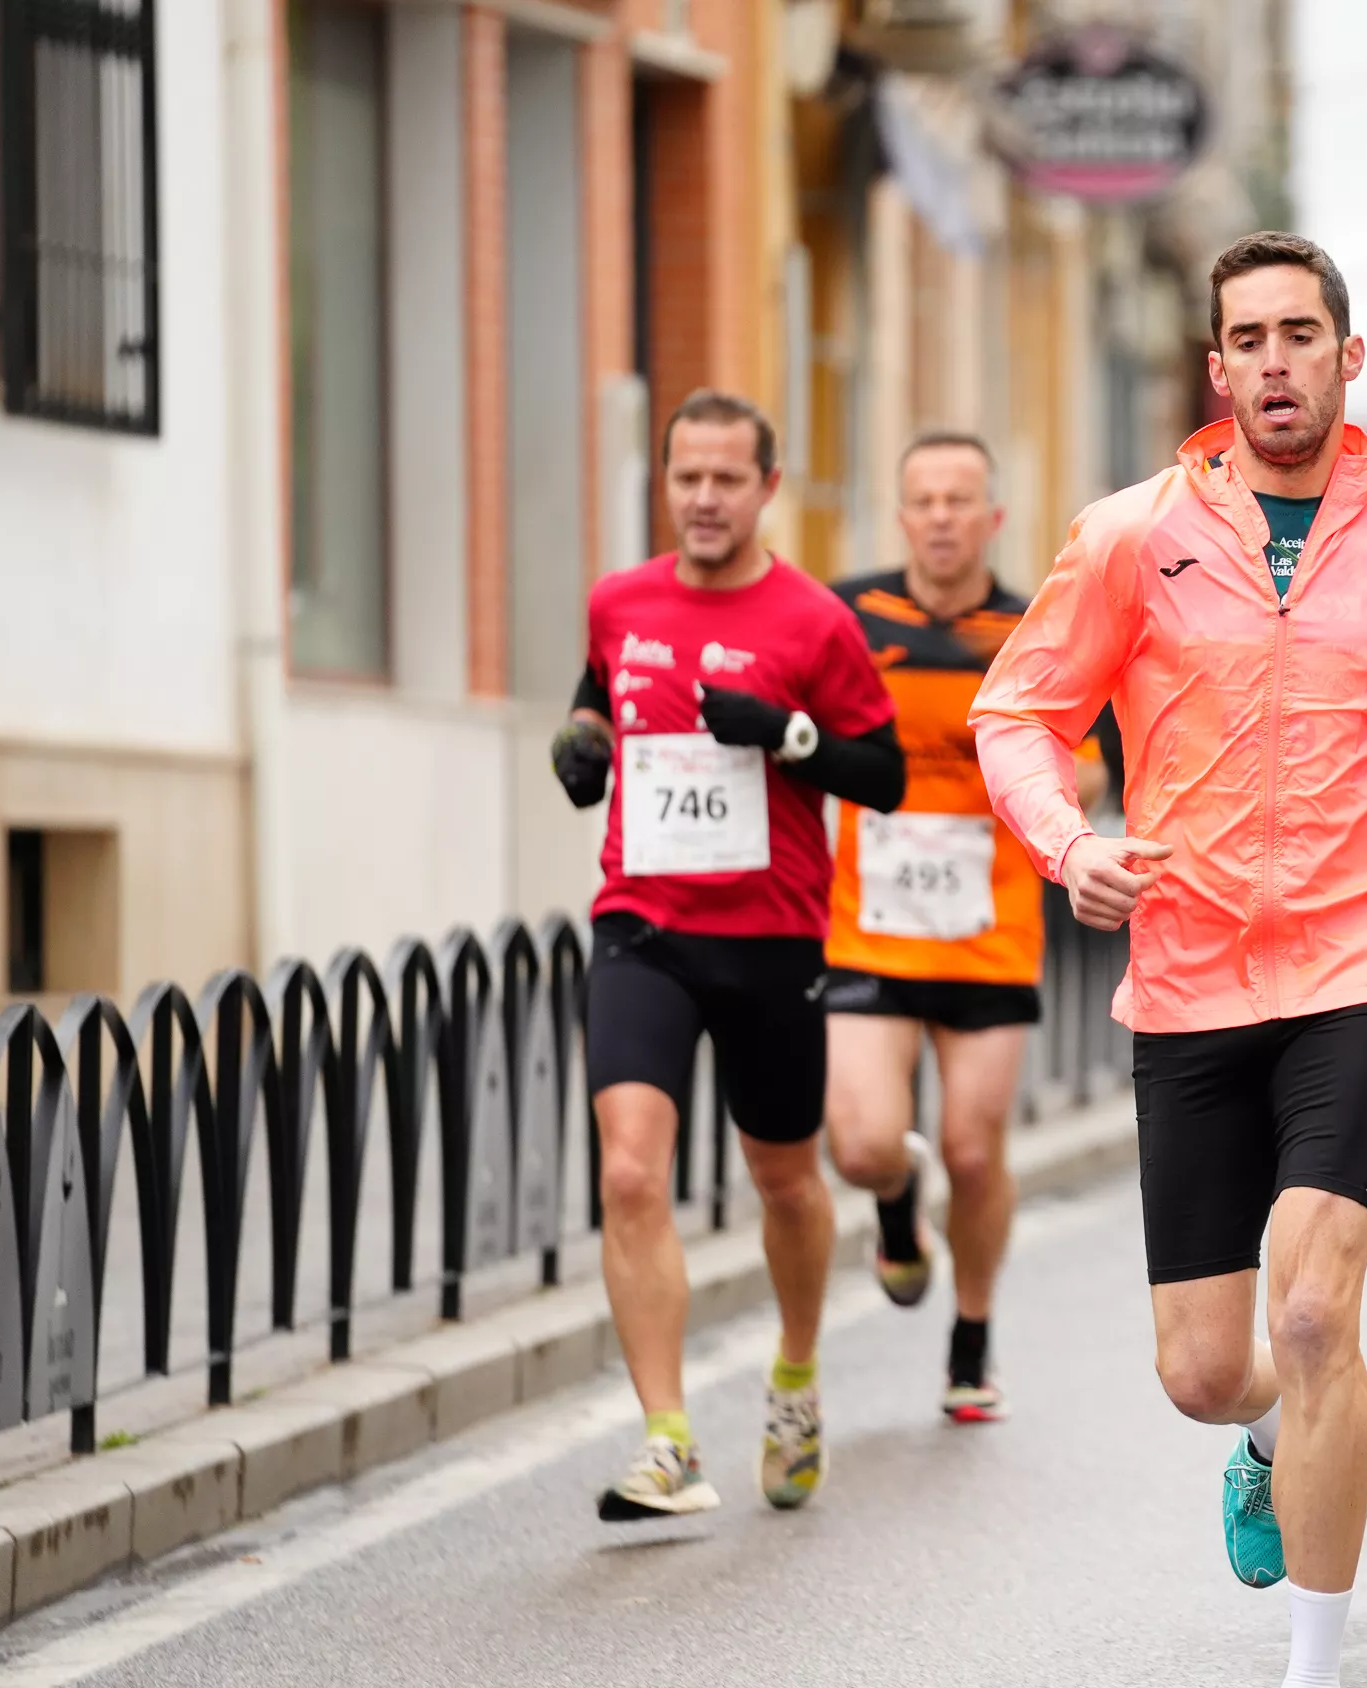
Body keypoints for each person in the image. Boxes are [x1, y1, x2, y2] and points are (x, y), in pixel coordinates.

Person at [971, 231, 1367, 1688]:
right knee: (1207, 1369)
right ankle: (1268, 1433)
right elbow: (1018, 714)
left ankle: (1311, 1665)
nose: (1275, 362)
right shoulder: (1136, 535)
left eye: (1299, 337)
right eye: (1248, 340)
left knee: (1317, 1308)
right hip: (1193, 971)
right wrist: (1067, 843)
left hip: (1366, 955)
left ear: (1347, 358)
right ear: (1218, 367)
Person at [548, 389, 906, 1519]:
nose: (704, 498)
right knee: (628, 1170)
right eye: (686, 477)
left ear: (767, 487)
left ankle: (795, 1374)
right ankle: (666, 1439)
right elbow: (598, 702)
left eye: (726, 479)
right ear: (667, 483)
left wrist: (790, 736)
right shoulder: (620, 599)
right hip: (643, 924)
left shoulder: (813, 621)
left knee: (786, 1179)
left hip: (771, 932)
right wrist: (583, 748)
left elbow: (884, 773)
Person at [820, 432, 1110, 1424]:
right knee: (860, 1142)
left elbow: (1101, 755)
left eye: (961, 499)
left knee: (976, 1149)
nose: (942, 515)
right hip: (872, 927)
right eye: (924, 498)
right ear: (901, 515)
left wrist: (1051, 778)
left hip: (990, 930)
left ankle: (972, 1334)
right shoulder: (850, 615)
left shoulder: (1034, 623)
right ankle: (898, 1206)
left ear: (993, 517)